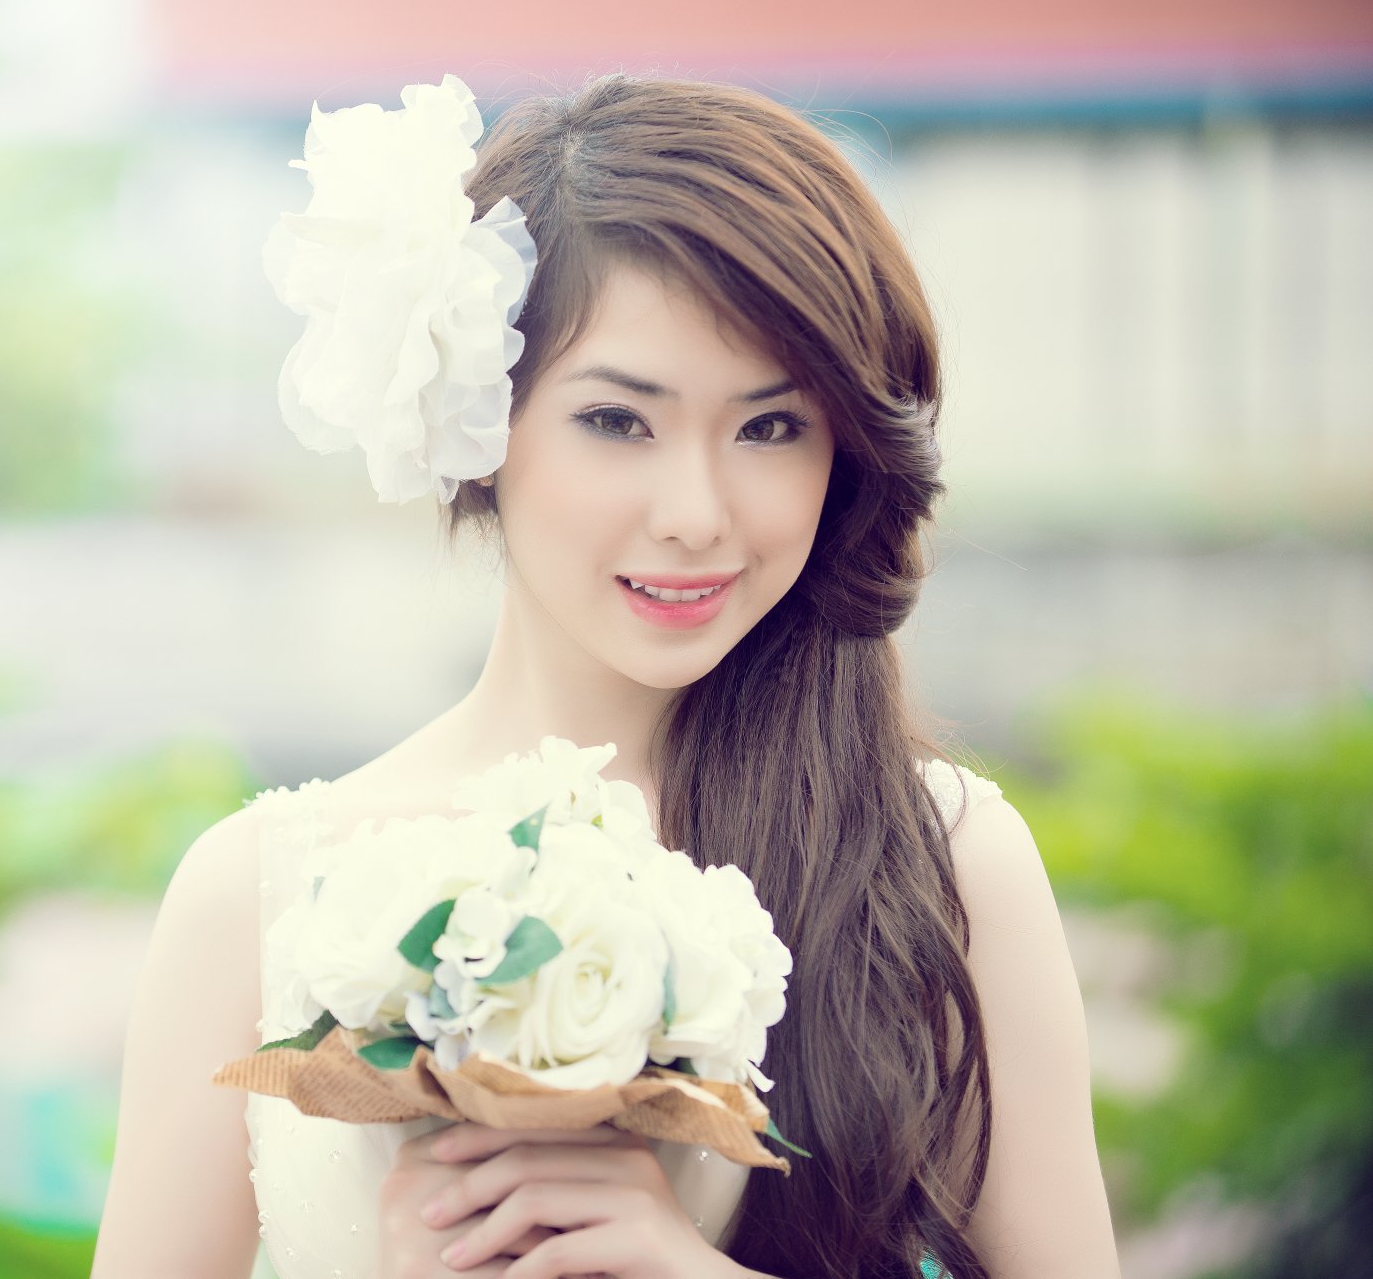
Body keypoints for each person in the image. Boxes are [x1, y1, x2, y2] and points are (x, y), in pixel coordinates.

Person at [91, 73, 1119, 1279]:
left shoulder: (939, 861)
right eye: (620, 421)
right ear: (481, 419)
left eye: (772, 427)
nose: (696, 513)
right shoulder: (258, 894)